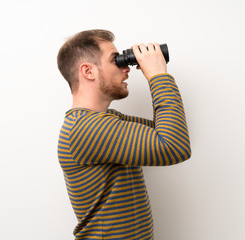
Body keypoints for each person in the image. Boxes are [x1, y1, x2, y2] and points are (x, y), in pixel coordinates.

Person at [57, 29, 191, 240]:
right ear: (88, 71)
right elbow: (174, 146)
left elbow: (167, 131)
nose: (126, 67)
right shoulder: (85, 128)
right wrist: (157, 75)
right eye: (115, 60)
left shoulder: (107, 121)